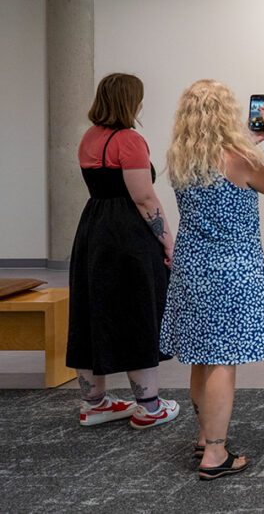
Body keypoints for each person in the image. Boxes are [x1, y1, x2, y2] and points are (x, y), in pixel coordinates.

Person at [161, 80, 264, 481]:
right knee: (222, 360)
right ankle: (215, 453)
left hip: (191, 267)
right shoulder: (238, 158)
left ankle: (204, 435)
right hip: (230, 269)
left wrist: (249, 142)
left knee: (200, 356)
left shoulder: (181, 158)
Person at [67, 73, 180, 429]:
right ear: (132, 102)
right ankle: (149, 406)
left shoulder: (89, 137)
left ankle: (94, 403)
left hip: (93, 229)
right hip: (127, 235)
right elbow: (143, 197)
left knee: (90, 309)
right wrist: (168, 241)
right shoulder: (130, 140)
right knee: (137, 310)